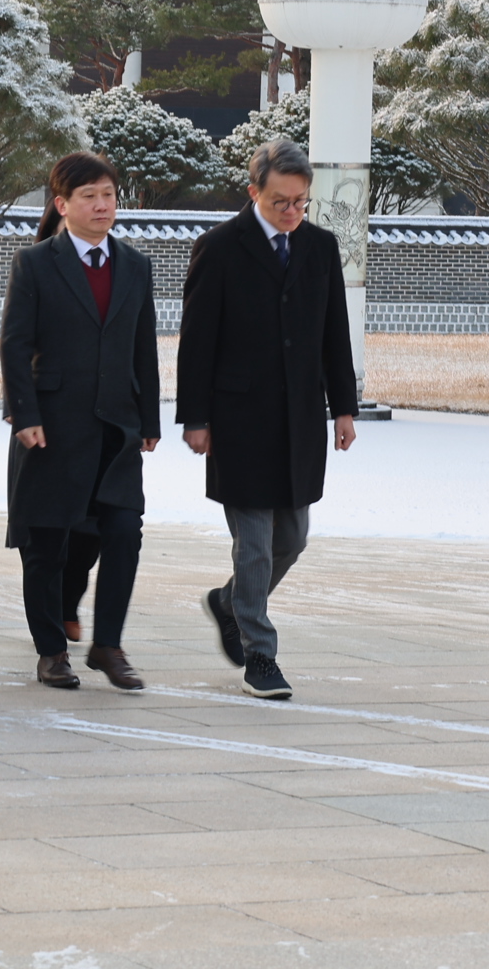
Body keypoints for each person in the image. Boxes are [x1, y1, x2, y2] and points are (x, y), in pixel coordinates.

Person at [177, 136, 358, 702]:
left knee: (293, 538)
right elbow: (197, 341)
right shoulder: (220, 247)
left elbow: (334, 334)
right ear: (254, 191)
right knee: (253, 542)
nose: (292, 212)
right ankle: (260, 652)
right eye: (281, 201)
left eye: (301, 202)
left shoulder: (320, 248)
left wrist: (344, 406)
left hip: (299, 416)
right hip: (239, 417)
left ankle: (231, 602)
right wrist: (195, 417)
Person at [0, 153, 160, 691]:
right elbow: (15, 344)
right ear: (62, 204)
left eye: (109, 194)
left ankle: (107, 645)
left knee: (123, 534)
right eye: (89, 195)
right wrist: (23, 413)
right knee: (45, 543)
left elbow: (143, 349)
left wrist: (150, 420)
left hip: (116, 430)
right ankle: (51, 652)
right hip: (51, 427)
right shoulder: (36, 263)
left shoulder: (135, 266)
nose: (101, 205)